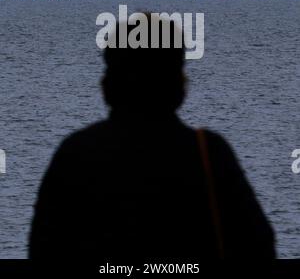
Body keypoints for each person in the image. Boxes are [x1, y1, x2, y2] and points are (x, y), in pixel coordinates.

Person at [29, 16, 275, 260]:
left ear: (108, 82)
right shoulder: (210, 153)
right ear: (178, 81)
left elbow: (43, 247)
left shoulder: (75, 153)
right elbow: (258, 245)